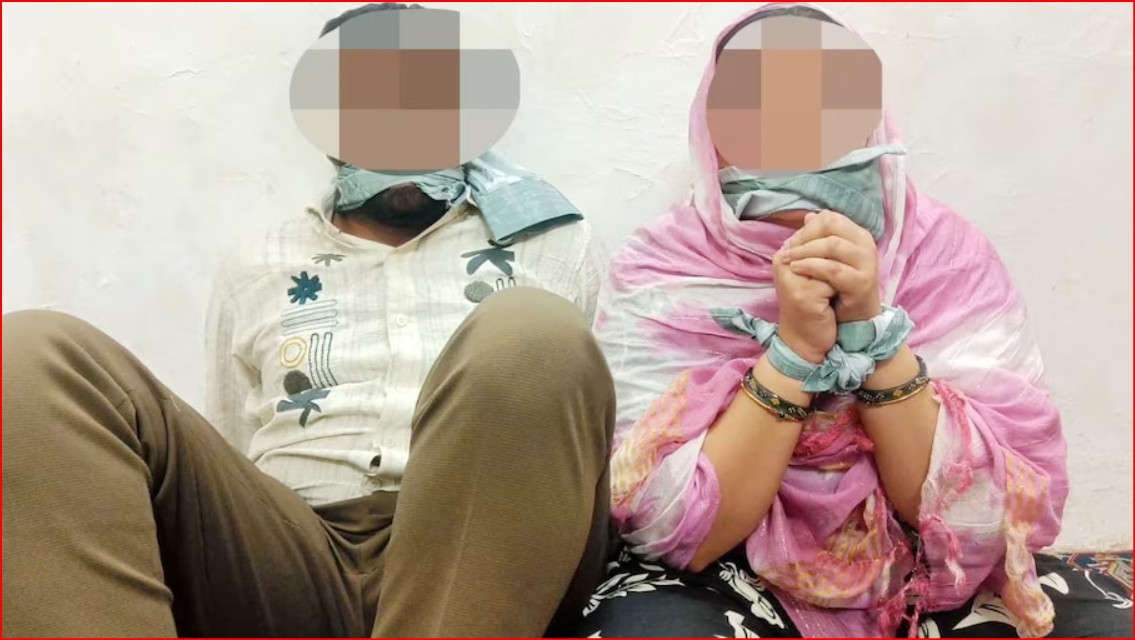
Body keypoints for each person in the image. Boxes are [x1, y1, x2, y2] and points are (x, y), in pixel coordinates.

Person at [2, 3, 615, 637]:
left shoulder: (556, 245)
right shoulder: (257, 265)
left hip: (484, 554)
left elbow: (597, 446)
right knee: (30, 357)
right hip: (290, 554)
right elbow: (232, 443)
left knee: (531, 335)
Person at [579, 3, 1132, 638]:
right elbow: (668, 529)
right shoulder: (661, 271)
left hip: (927, 574)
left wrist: (872, 331)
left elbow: (998, 514)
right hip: (729, 577)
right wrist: (792, 353)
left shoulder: (944, 254)